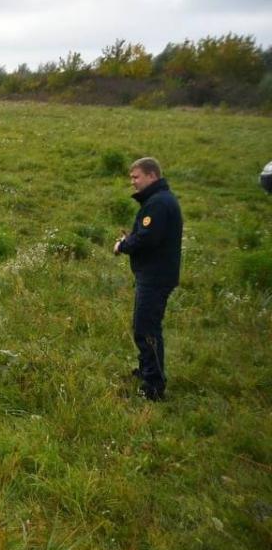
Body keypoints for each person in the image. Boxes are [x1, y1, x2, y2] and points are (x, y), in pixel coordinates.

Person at [113, 157, 183, 401]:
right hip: (153, 274)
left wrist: (124, 244)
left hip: (156, 276)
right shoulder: (159, 200)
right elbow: (150, 235)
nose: (132, 182)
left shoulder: (158, 204)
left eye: (136, 177)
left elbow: (147, 239)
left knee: (147, 329)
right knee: (142, 325)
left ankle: (153, 386)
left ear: (152, 176)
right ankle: (146, 371)